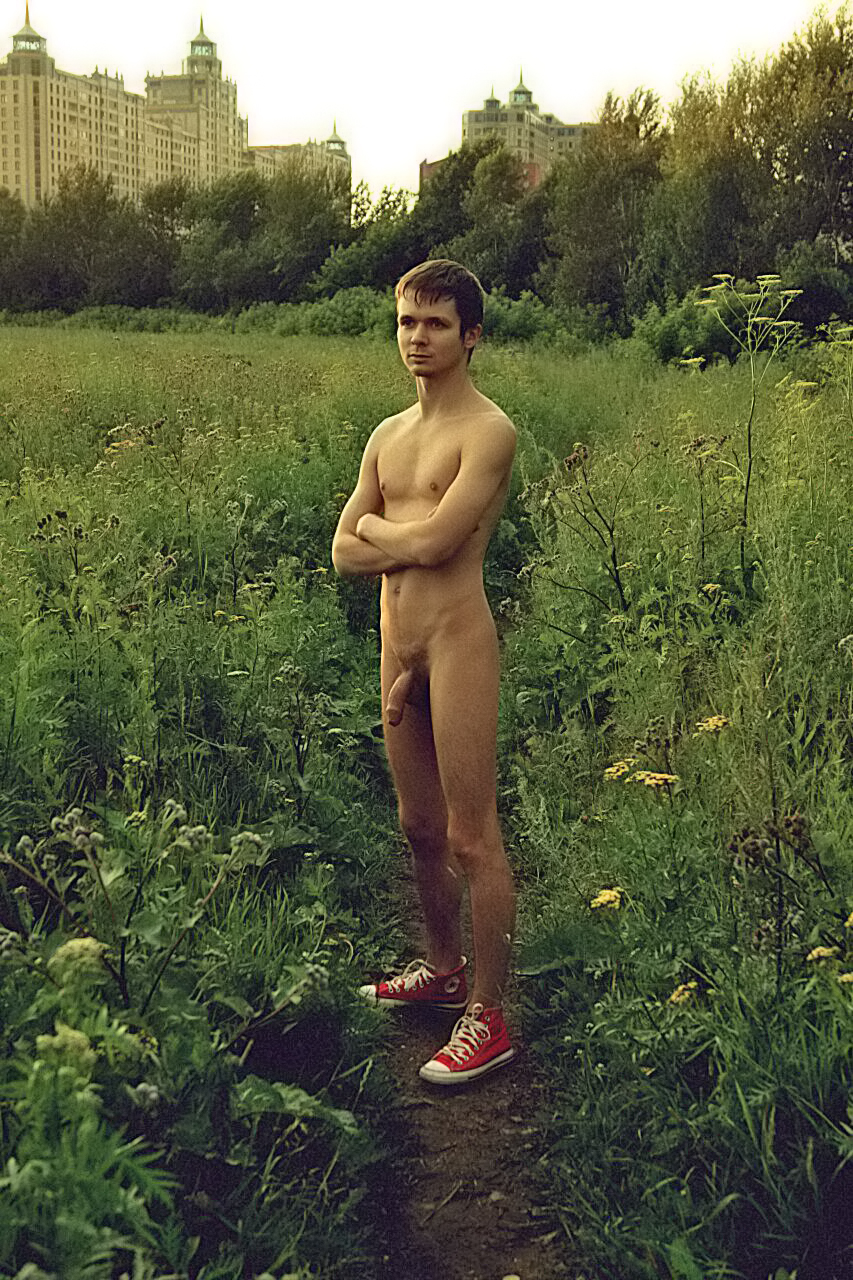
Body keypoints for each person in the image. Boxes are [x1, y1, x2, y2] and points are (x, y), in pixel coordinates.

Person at [331, 259, 517, 1085]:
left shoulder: (487, 431)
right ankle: (441, 968)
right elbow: (341, 554)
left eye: (436, 324)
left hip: (456, 642)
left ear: (470, 336)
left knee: (471, 836)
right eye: (407, 321)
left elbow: (440, 544)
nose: (417, 337)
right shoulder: (386, 435)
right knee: (418, 827)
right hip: (395, 647)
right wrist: (385, 535)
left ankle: (489, 1014)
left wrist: (377, 527)